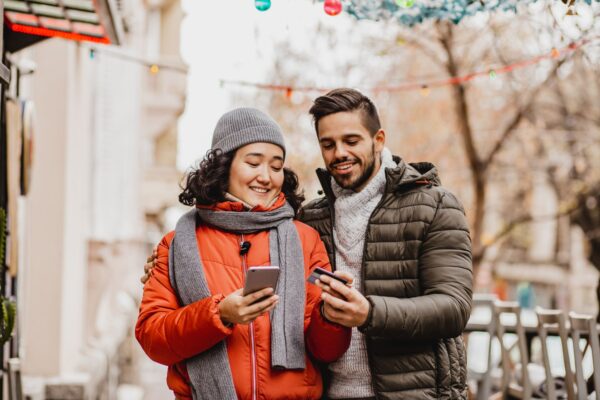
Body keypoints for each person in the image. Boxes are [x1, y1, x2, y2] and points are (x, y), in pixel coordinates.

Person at [142, 89, 473, 400]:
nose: (339, 152)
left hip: (413, 392)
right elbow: (154, 335)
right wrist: (208, 303)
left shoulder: (431, 206)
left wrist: (361, 314)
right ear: (224, 165)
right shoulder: (312, 218)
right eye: (328, 144)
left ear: (379, 140)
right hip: (335, 392)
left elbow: (454, 307)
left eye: (351, 140)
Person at [135, 107, 351, 400]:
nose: (266, 176)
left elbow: (325, 351)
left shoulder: (304, 240)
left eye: (276, 166)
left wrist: (331, 317)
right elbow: (152, 338)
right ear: (224, 166)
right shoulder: (176, 245)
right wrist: (218, 314)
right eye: (253, 163)